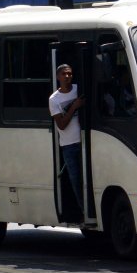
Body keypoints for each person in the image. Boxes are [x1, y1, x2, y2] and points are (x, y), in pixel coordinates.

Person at [49, 64, 85, 214]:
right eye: (64, 74)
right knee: (76, 181)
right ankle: (84, 211)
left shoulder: (79, 89)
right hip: (68, 145)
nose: (67, 77)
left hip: (86, 142)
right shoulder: (54, 99)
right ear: (58, 77)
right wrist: (74, 107)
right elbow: (61, 125)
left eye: (70, 74)